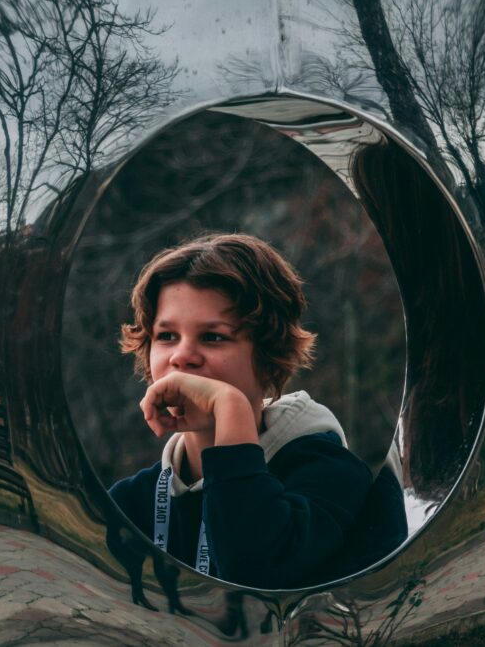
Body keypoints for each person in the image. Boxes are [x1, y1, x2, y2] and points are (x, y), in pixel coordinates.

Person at [107, 233, 378, 589]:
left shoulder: (330, 475)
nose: (181, 356)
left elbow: (253, 578)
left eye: (213, 337)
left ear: (268, 359)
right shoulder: (128, 503)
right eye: (167, 336)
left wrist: (230, 408)